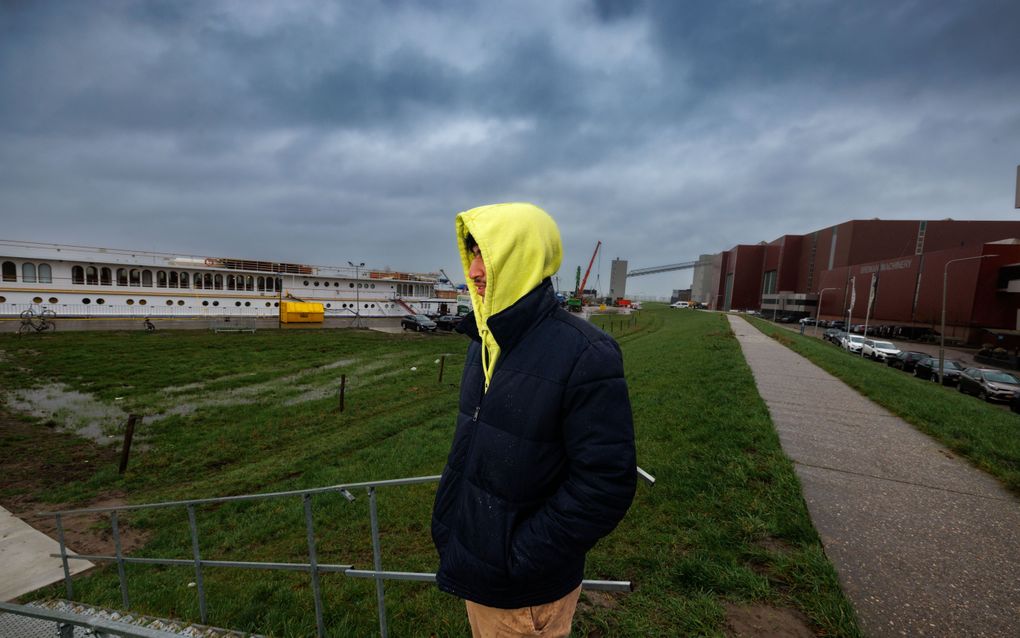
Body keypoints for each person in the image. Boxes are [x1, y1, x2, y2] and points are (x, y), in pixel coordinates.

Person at [431, 202, 637, 637]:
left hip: (524, 592)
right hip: (476, 566)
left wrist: (519, 557)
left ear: (521, 257)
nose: (473, 270)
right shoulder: (483, 343)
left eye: (485, 253)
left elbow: (605, 483)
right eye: (470, 254)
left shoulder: (584, 353)